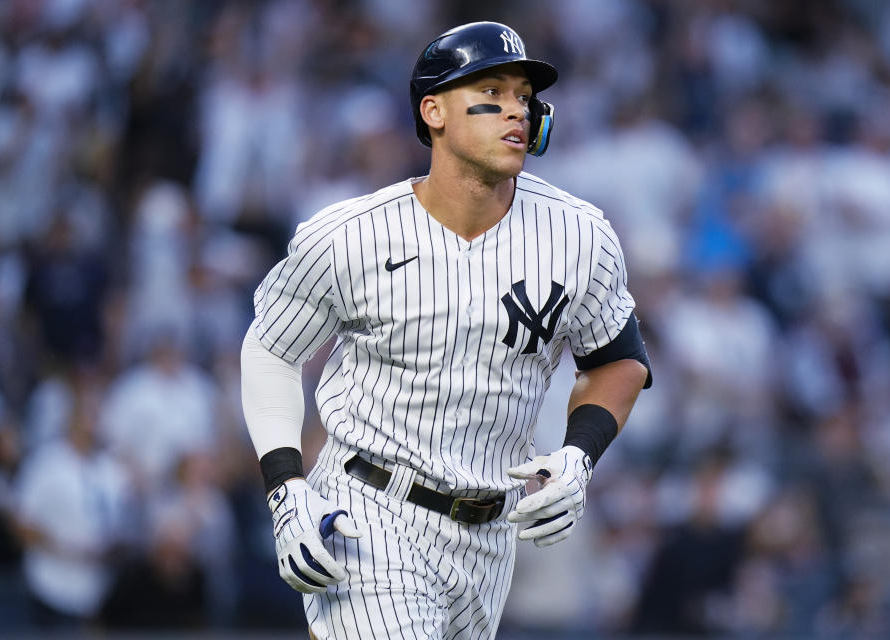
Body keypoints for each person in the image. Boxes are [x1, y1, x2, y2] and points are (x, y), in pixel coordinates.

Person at [240, 21, 652, 640]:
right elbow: (271, 349)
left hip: (490, 538)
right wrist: (284, 487)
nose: (516, 109)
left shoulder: (579, 234)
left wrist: (578, 456)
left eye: (524, 95)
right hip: (369, 515)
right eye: (491, 92)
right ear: (433, 111)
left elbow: (619, 360)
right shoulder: (350, 234)